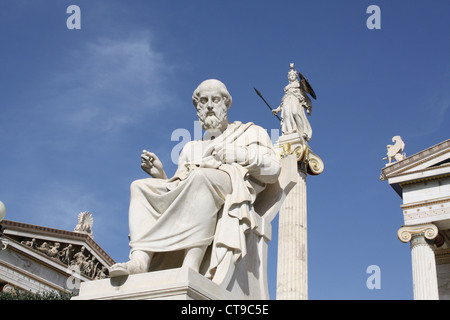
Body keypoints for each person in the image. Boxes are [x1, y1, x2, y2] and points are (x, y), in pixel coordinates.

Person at [109, 79, 281, 285]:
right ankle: (140, 260)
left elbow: (273, 170)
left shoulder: (251, 132)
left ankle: (191, 264)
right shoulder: (191, 147)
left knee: (201, 177)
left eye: (215, 100)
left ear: (226, 104)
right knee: (139, 186)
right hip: (198, 185)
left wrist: (237, 154)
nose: (209, 105)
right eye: (203, 101)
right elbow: (179, 188)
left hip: (231, 187)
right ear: (198, 108)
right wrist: (161, 176)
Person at [272, 64, 312, 141]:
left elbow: (307, 90)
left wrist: (304, 82)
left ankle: (301, 131)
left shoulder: (299, 84)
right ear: (288, 77)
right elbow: (282, 103)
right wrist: (277, 110)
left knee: (295, 113)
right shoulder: (287, 88)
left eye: (293, 74)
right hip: (287, 101)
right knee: (286, 115)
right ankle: (290, 131)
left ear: (296, 76)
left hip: (295, 99)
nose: (292, 76)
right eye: (290, 75)